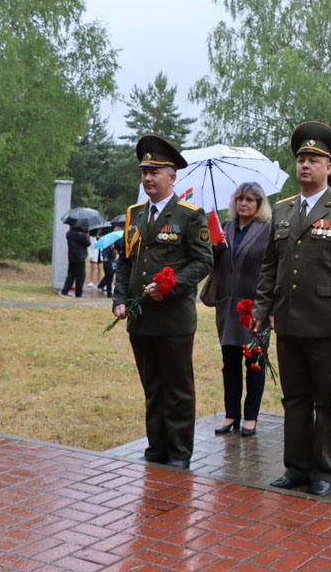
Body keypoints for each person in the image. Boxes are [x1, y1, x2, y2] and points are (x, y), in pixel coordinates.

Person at [252, 121, 331, 497]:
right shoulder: (283, 210)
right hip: (288, 320)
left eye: (314, 160)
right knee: (295, 398)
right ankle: (296, 467)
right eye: (301, 159)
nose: (305, 165)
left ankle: (323, 470)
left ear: (328, 168)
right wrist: (260, 309)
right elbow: (271, 265)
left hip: (327, 324)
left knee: (326, 400)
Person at [112, 134, 214, 470]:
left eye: (155, 172)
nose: (147, 178)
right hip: (141, 319)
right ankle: (156, 446)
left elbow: (203, 262)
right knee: (152, 385)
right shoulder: (134, 214)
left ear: (172, 177)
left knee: (177, 388)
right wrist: (120, 299)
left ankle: (179, 452)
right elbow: (125, 261)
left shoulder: (190, 215)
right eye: (144, 172)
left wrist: (171, 287)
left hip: (173, 319)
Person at [210, 182, 272, 437]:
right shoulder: (225, 228)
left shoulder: (267, 230)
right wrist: (215, 246)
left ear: (259, 204)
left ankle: (251, 417)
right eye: (239, 199)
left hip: (255, 306)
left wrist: (268, 307)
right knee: (229, 363)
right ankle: (231, 414)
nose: (243, 203)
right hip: (228, 306)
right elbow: (212, 265)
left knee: (254, 362)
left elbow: (272, 269)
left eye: (249, 199)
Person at [60, 225, 90, 297]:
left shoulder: (69, 233)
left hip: (71, 256)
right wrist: (87, 235)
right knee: (80, 276)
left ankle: (65, 291)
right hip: (80, 256)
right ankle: (78, 293)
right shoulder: (81, 235)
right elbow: (88, 243)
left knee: (71, 274)